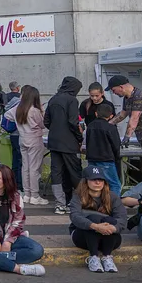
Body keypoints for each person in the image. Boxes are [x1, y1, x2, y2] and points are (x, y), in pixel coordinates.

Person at [69, 165, 126, 273]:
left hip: (109, 239)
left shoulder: (112, 197)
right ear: (85, 181)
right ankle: (93, 257)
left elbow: (122, 219)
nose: (98, 182)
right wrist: (95, 226)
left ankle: (107, 257)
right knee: (94, 218)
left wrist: (111, 228)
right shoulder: (77, 196)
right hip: (83, 238)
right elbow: (75, 217)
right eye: (93, 179)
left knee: (110, 221)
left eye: (100, 179)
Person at [45, 76, 84, 215]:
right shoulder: (72, 100)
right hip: (69, 143)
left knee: (57, 173)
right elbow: (73, 122)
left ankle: (60, 204)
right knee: (74, 171)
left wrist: (56, 129)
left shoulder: (53, 99)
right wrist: (79, 137)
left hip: (54, 142)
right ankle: (80, 201)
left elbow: (46, 121)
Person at [5, 85, 49, 205]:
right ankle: (34, 195)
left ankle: (27, 194)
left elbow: (7, 115)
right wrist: (42, 110)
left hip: (22, 138)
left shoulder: (17, 108)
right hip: (34, 139)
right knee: (34, 168)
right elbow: (43, 124)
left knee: (25, 167)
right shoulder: (34, 110)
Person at [107, 75, 142, 148]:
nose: (114, 93)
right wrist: (107, 124)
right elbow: (122, 115)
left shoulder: (139, 96)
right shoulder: (127, 98)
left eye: (113, 90)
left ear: (121, 87)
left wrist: (126, 137)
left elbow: (134, 119)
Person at [85, 101, 122, 196]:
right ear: (111, 116)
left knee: (94, 183)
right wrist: (117, 157)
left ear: (96, 114)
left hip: (92, 159)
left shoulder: (90, 126)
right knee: (114, 184)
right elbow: (116, 145)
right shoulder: (110, 127)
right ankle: (113, 203)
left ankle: (93, 202)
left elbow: (87, 142)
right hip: (106, 159)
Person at [3, 93, 24, 190]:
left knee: (15, 159)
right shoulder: (21, 104)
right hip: (20, 134)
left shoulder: (14, 101)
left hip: (13, 134)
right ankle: (20, 184)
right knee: (21, 160)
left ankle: (14, 182)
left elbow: (7, 113)